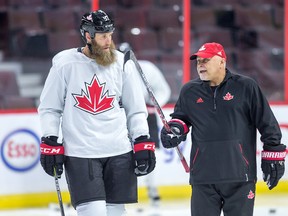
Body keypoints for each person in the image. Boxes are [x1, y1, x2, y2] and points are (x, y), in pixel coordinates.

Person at [38, 10, 156, 216]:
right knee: (94, 212)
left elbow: (135, 109)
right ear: (88, 35)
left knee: (116, 212)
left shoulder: (121, 62)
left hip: (119, 150)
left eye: (110, 35)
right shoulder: (65, 64)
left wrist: (142, 139)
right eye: (103, 36)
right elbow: (50, 107)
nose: (108, 41)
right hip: (81, 153)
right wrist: (50, 138)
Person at [160, 42, 286, 216]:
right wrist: (173, 130)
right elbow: (180, 119)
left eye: (206, 60)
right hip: (203, 177)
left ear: (222, 62)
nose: (200, 65)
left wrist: (273, 154)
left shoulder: (246, 87)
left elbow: (267, 123)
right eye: (198, 62)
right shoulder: (189, 91)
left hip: (240, 177)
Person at [118, 42, 171, 206]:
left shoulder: (147, 68)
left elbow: (164, 90)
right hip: (120, 118)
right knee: (122, 154)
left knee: (148, 152)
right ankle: (123, 191)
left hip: (145, 116)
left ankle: (152, 189)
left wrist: (152, 105)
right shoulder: (113, 70)